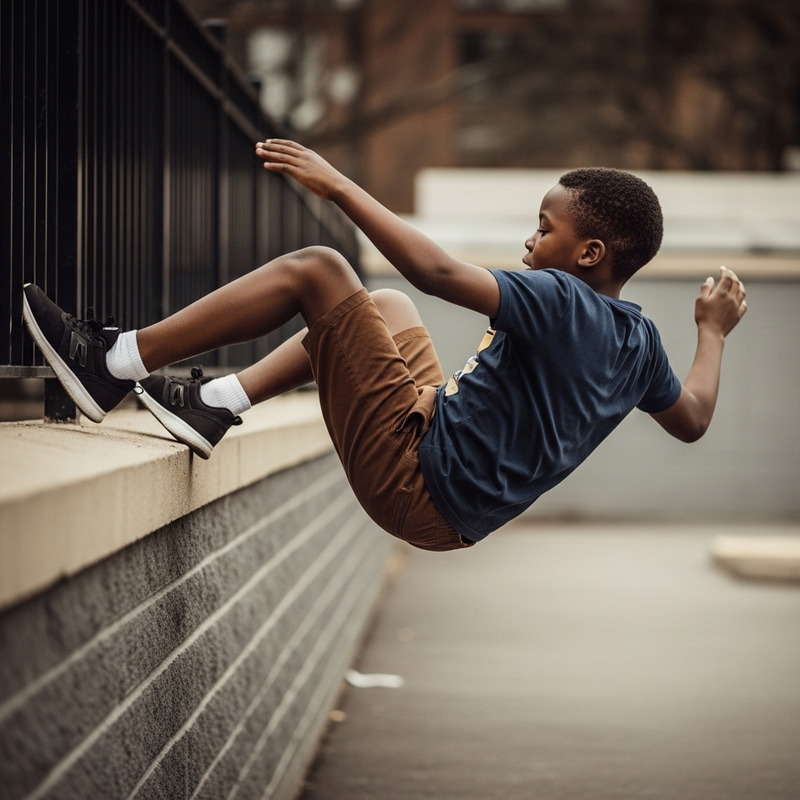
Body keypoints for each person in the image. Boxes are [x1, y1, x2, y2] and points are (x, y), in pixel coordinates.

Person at [22, 139, 747, 552]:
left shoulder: (561, 300)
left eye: (544, 227)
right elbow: (692, 419)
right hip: (447, 484)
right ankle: (215, 402)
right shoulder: (641, 341)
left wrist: (339, 187)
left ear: (589, 254)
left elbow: (435, 271)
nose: (531, 240)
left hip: (420, 482)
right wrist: (710, 332)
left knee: (321, 271)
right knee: (382, 309)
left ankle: (112, 365)